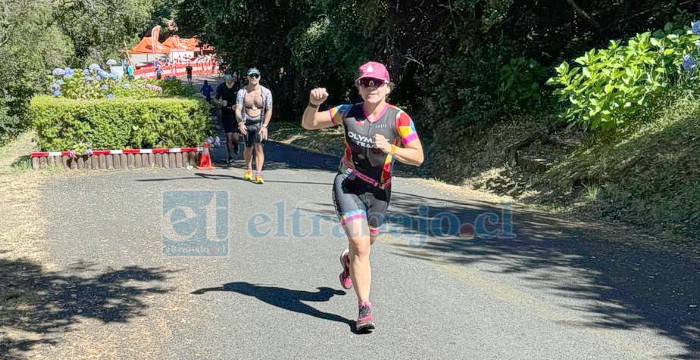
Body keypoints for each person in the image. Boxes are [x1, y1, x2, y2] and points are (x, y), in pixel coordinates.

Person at [301, 61, 424, 333]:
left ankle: (348, 262)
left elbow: (418, 157)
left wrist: (391, 148)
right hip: (349, 183)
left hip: (380, 191)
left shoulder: (399, 118)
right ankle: (364, 308)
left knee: (365, 245)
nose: (371, 87)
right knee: (361, 244)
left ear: (388, 88)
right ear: (358, 86)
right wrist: (312, 104)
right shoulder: (347, 112)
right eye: (365, 82)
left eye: (377, 83)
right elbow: (309, 124)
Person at [235, 68, 272, 184]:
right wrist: (240, 123)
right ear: (248, 77)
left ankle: (259, 173)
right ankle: (248, 169)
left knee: (259, 148)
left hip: (259, 123)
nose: (254, 78)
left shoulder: (266, 92)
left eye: (256, 75)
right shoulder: (242, 92)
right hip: (247, 122)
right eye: (251, 76)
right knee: (248, 148)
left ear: (259, 77)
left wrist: (265, 126)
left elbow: (269, 110)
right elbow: (238, 109)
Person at [215, 74, 241, 162]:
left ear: (234, 77)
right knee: (228, 137)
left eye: (231, 77)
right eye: (227, 77)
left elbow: (244, 98)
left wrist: (238, 105)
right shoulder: (221, 87)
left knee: (235, 138)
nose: (229, 79)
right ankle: (230, 156)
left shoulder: (238, 86)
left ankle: (236, 145)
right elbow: (215, 99)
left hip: (236, 115)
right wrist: (221, 103)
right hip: (226, 114)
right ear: (224, 78)